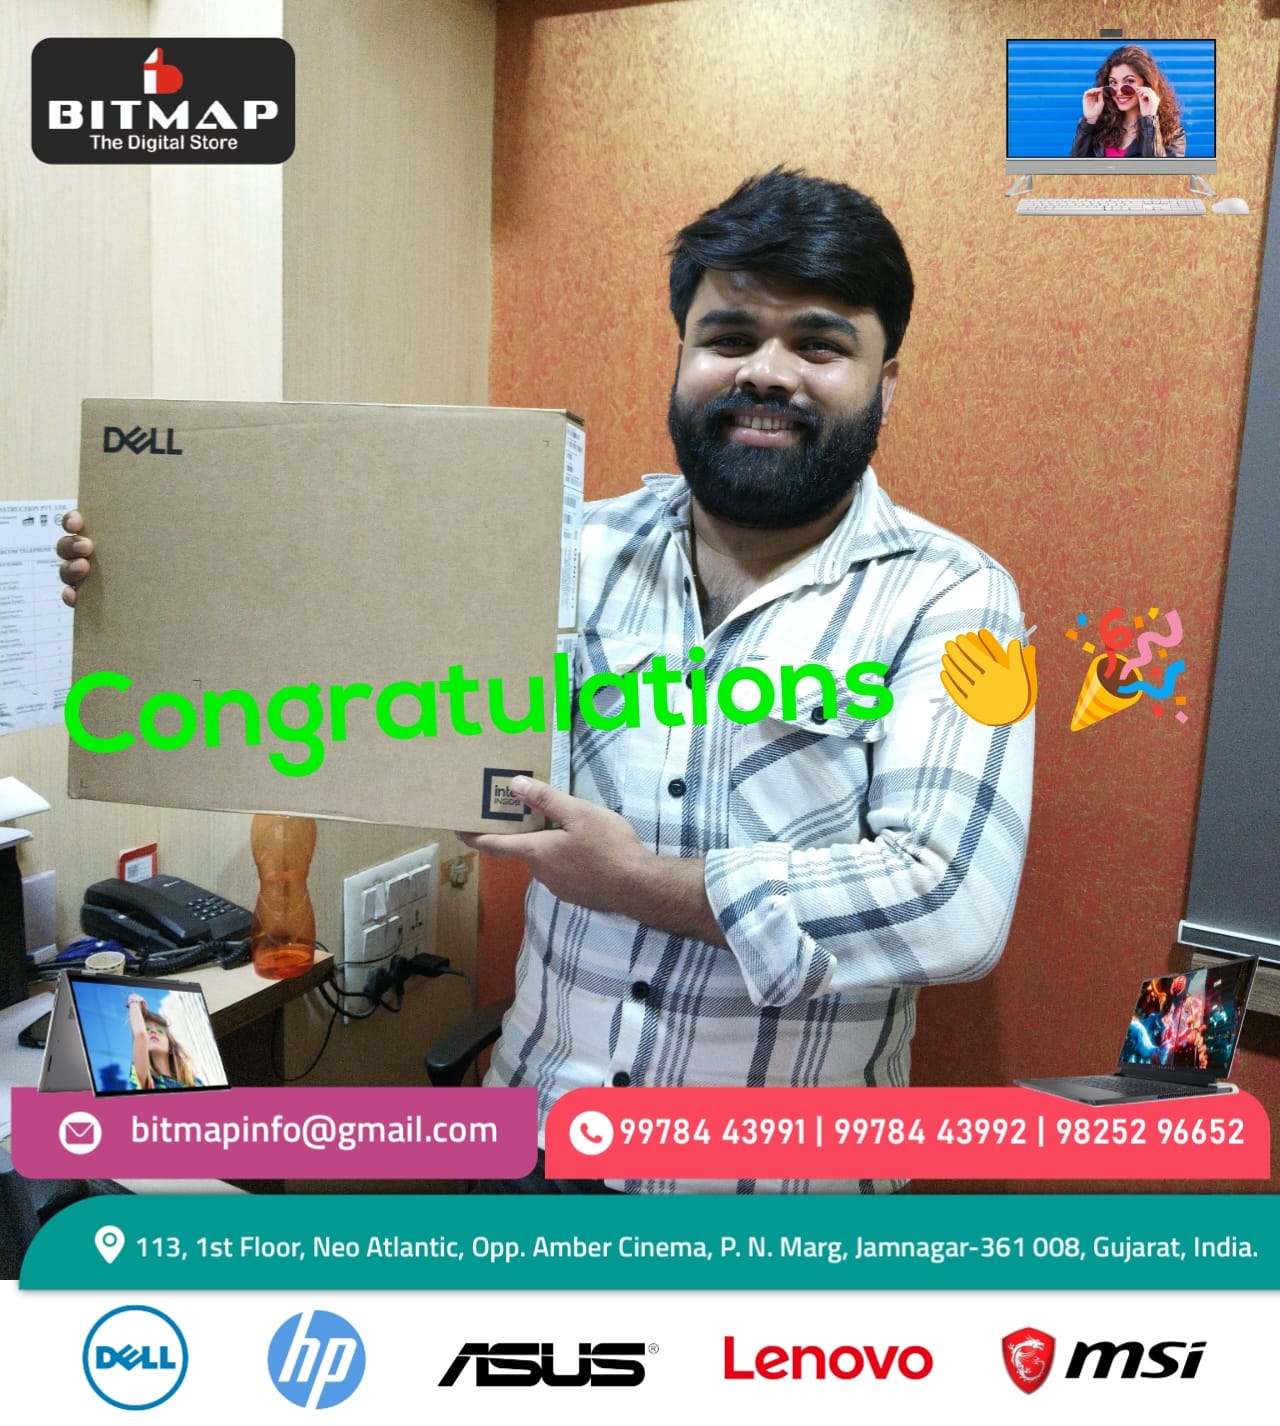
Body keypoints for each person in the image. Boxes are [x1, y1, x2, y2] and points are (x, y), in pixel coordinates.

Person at [61, 169, 1034, 1193]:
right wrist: (148, 581)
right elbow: (340, 640)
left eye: (819, 345)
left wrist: (636, 885)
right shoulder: (564, 549)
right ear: (682, 356)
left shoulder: (956, 597)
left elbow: (949, 904)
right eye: (730, 337)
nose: (766, 372)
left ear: (886, 381)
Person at [1069, 45, 1187, 158]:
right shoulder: (1101, 125)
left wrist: (1149, 122)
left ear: (1146, 84)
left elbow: (1161, 171)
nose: (1119, 92)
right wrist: (1089, 122)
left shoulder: (1173, 133)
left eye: (1129, 81)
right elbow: (1075, 168)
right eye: (1113, 82)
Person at [126, 993, 202, 1090]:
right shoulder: (147, 1080)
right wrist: (133, 1000)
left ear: (171, 1047)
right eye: (147, 1029)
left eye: (160, 1030)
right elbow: (140, 1034)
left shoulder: (195, 1082)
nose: (153, 1031)